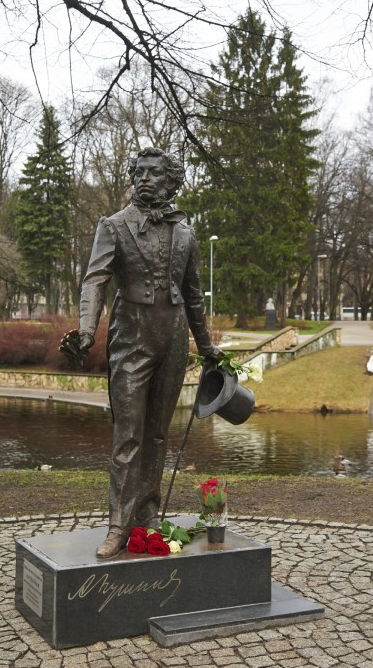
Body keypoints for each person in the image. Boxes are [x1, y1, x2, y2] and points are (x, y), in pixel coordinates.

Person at [75, 147, 218, 558]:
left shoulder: (186, 233)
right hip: (131, 338)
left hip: (172, 340)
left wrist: (206, 348)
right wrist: (87, 330)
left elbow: (193, 295)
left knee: (157, 433)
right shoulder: (114, 226)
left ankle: (149, 513)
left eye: (154, 173)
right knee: (128, 435)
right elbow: (94, 281)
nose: (144, 179)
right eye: (138, 172)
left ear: (171, 181)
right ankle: (119, 523)